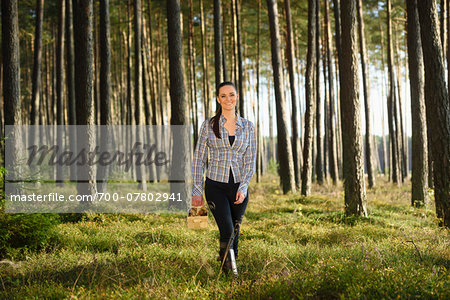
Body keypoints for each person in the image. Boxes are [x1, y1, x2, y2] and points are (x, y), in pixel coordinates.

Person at [191, 81, 256, 273]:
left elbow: (250, 161)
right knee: (227, 230)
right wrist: (196, 190)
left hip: (238, 189)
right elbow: (199, 159)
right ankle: (232, 275)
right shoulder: (208, 126)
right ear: (218, 99)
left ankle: (225, 265)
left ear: (237, 97)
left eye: (232, 94)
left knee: (235, 233)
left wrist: (243, 188)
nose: (228, 99)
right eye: (224, 96)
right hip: (215, 187)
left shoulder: (248, 127)